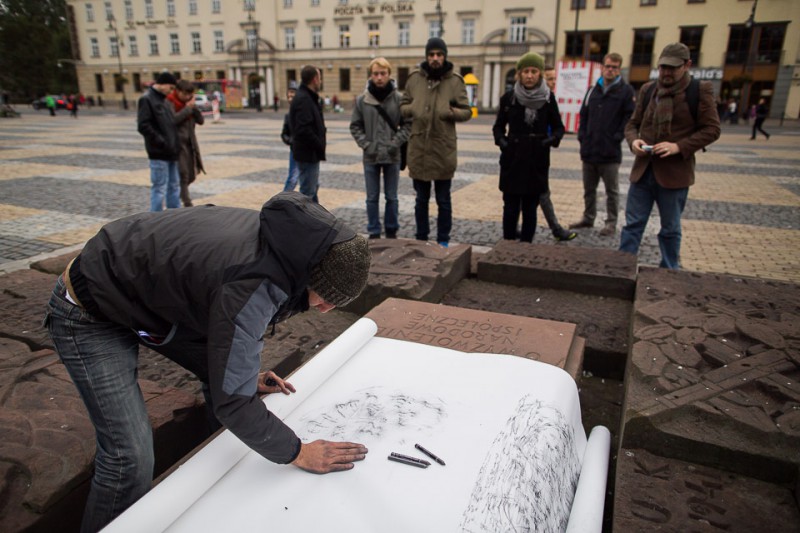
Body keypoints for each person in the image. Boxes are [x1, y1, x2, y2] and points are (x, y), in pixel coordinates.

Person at [45, 191, 371, 533]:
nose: (325, 309)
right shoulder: (253, 284)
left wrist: (243, 377)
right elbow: (234, 402)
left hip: (145, 294)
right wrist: (298, 452)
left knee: (232, 382)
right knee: (129, 457)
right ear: (312, 276)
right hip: (88, 306)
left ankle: (221, 492)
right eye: (328, 298)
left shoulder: (292, 243)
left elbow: (225, 341)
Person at [619, 42, 720, 269]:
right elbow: (632, 124)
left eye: (672, 68)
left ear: (687, 65)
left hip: (674, 174)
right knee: (632, 224)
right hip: (643, 170)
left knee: (670, 228)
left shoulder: (699, 90)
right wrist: (634, 140)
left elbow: (712, 129)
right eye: (663, 67)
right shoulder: (648, 90)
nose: (666, 72)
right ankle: (622, 268)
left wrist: (678, 147)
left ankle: (669, 271)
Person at [400, 37, 472, 247]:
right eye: (431, 54)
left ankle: (443, 240)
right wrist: (412, 109)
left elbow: (468, 111)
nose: (435, 58)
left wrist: (451, 112)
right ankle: (421, 238)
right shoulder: (414, 79)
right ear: (426, 56)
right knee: (421, 201)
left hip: (443, 150)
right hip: (419, 149)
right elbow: (403, 106)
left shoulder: (455, 81)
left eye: (439, 54)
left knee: (443, 201)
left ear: (444, 56)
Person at [492, 52, 565, 243]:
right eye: (526, 71)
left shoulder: (549, 98)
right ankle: (507, 245)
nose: (530, 75)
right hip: (513, 158)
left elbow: (559, 127)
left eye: (534, 71)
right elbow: (498, 127)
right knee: (510, 207)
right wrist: (503, 143)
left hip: (537, 158)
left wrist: (548, 141)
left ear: (539, 74)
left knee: (530, 207)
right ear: (519, 74)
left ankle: (526, 246)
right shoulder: (508, 98)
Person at [570, 52, 635, 237]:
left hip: (610, 151)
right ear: (602, 67)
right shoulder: (592, 90)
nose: (610, 70)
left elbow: (629, 117)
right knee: (588, 189)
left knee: (611, 190)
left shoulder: (625, 91)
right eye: (607, 66)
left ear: (618, 69)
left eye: (614, 67)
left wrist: (616, 137)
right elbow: (584, 115)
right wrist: (582, 136)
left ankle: (611, 222)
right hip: (590, 149)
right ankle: (588, 217)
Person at [350, 57, 411, 239]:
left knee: (392, 197)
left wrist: (396, 142)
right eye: (376, 73)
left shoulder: (399, 99)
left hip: (392, 155)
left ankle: (392, 230)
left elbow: (408, 124)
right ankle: (374, 231)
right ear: (371, 75)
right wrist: (366, 145)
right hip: (371, 155)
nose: (379, 77)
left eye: (383, 73)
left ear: (389, 75)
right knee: (371, 197)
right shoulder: (363, 100)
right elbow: (355, 126)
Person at [539, 65, 576, 242]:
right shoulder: (529, 97)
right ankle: (556, 228)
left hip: (542, 151)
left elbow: (558, 126)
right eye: (550, 79)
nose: (554, 82)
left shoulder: (549, 98)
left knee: (541, 192)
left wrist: (553, 138)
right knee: (539, 193)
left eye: (555, 79)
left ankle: (555, 228)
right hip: (525, 152)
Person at [137, 72, 181, 212]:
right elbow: (143, 125)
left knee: (174, 185)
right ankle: (155, 220)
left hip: (171, 151)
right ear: (163, 84)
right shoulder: (147, 99)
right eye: (171, 87)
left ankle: (175, 216)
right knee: (159, 188)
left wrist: (174, 144)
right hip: (159, 152)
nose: (171, 91)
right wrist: (161, 142)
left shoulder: (164, 100)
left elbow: (171, 124)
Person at [289, 66, 326, 203]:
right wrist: (318, 144)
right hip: (308, 153)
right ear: (315, 79)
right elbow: (303, 129)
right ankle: (306, 223)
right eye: (320, 78)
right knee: (307, 194)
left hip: (309, 153)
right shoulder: (304, 99)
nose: (320, 81)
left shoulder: (307, 97)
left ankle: (317, 220)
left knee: (312, 189)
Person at [167, 79, 205, 207]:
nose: (187, 97)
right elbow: (173, 120)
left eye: (190, 95)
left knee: (191, 174)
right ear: (178, 91)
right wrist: (187, 109)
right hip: (177, 144)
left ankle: (178, 194)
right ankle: (186, 202)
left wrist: (193, 108)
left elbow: (201, 121)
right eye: (185, 94)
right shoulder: (170, 103)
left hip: (190, 143)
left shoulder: (189, 105)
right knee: (183, 173)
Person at [281, 81, 299, 191]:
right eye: (289, 94)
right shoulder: (288, 115)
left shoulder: (303, 111)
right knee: (293, 179)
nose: (290, 96)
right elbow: (284, 134)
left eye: (293, 93)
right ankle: (282, 202)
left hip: (307, 152)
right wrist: (291, 141)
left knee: (314, 183)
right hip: (295, 150)